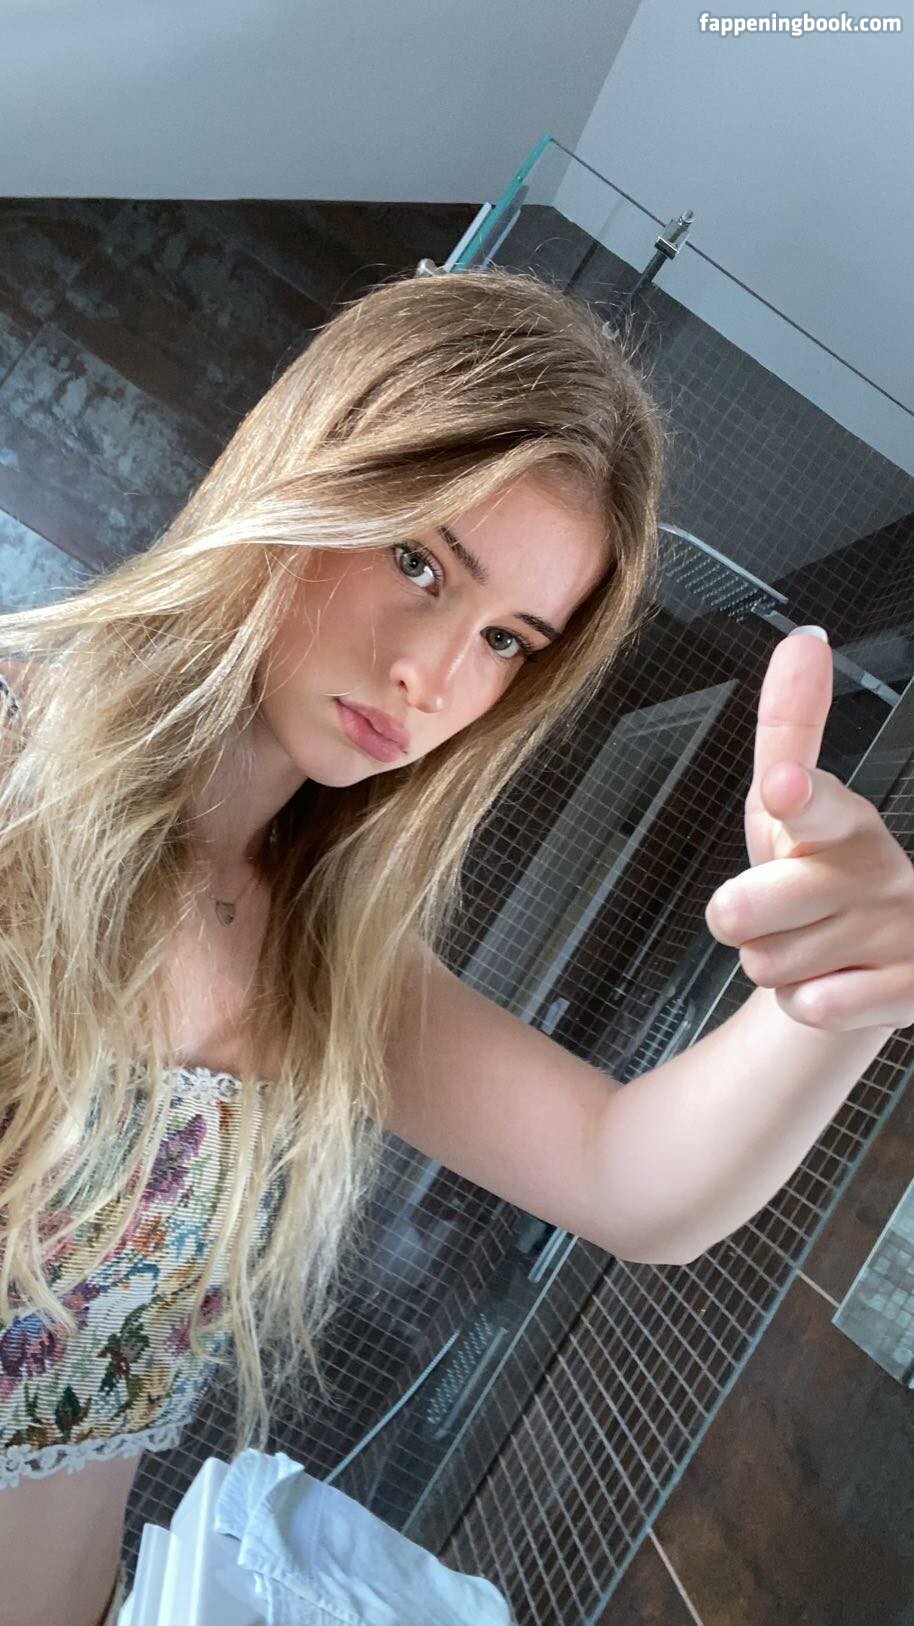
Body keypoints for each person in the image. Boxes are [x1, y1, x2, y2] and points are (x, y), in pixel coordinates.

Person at [0, 266, 911, 1626]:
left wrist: (845, 992)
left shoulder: (325, 956)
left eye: (504, 638)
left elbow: (632, 1177)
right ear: (312, 471)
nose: (434, 674)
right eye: (417, 561)